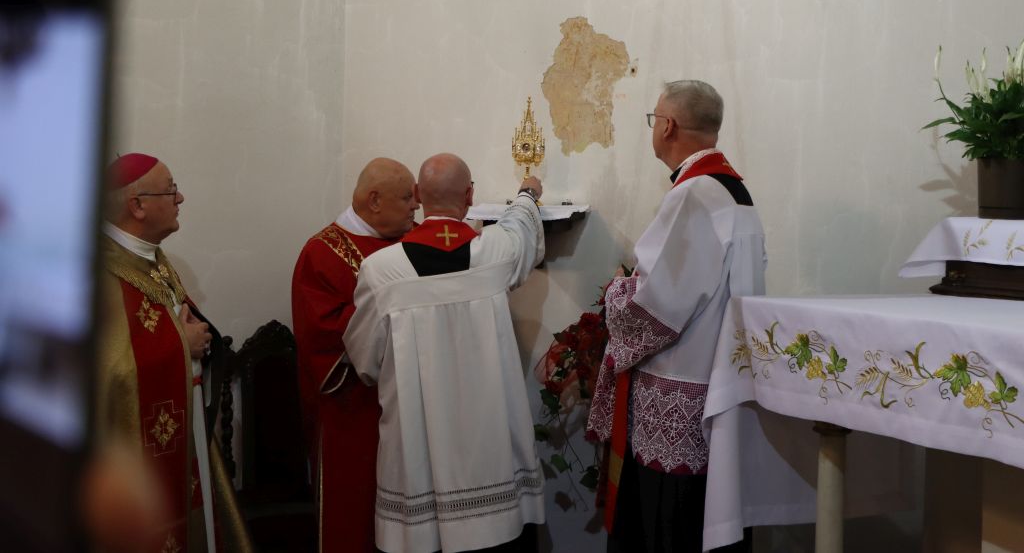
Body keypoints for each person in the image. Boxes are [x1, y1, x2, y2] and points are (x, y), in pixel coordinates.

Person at [586, 81, 767, 553]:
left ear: (667, 126)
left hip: (678, 392)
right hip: (716, 384)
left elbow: (656, 305)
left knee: (667, 529)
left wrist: (617, 292)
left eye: (654, 118)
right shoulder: (735, 192)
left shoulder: (695, 195)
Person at [343, 154, 546, 553]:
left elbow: (364, 360)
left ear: (418, 195)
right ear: (469, 196)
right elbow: (520, 230)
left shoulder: (380, 271)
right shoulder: (496, 253)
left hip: (416, 449)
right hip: (490, 456)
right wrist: (528, 193)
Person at [95, 152, 251, 552]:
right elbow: (108, 372)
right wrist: (183, 344)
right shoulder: (100, 273)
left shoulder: (152, 258)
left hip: (184, 432)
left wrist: (195, 339)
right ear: (137, 206)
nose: (180, 198)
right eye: (171, 190)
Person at [291, 157, 419, 552]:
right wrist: (392, 313)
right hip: (354, 409)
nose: (416, 206)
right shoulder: (321, 253)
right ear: (374, 201)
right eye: (407, 198)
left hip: (413, 404)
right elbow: (322, 332)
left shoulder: (413, 241)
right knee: (357, 517)